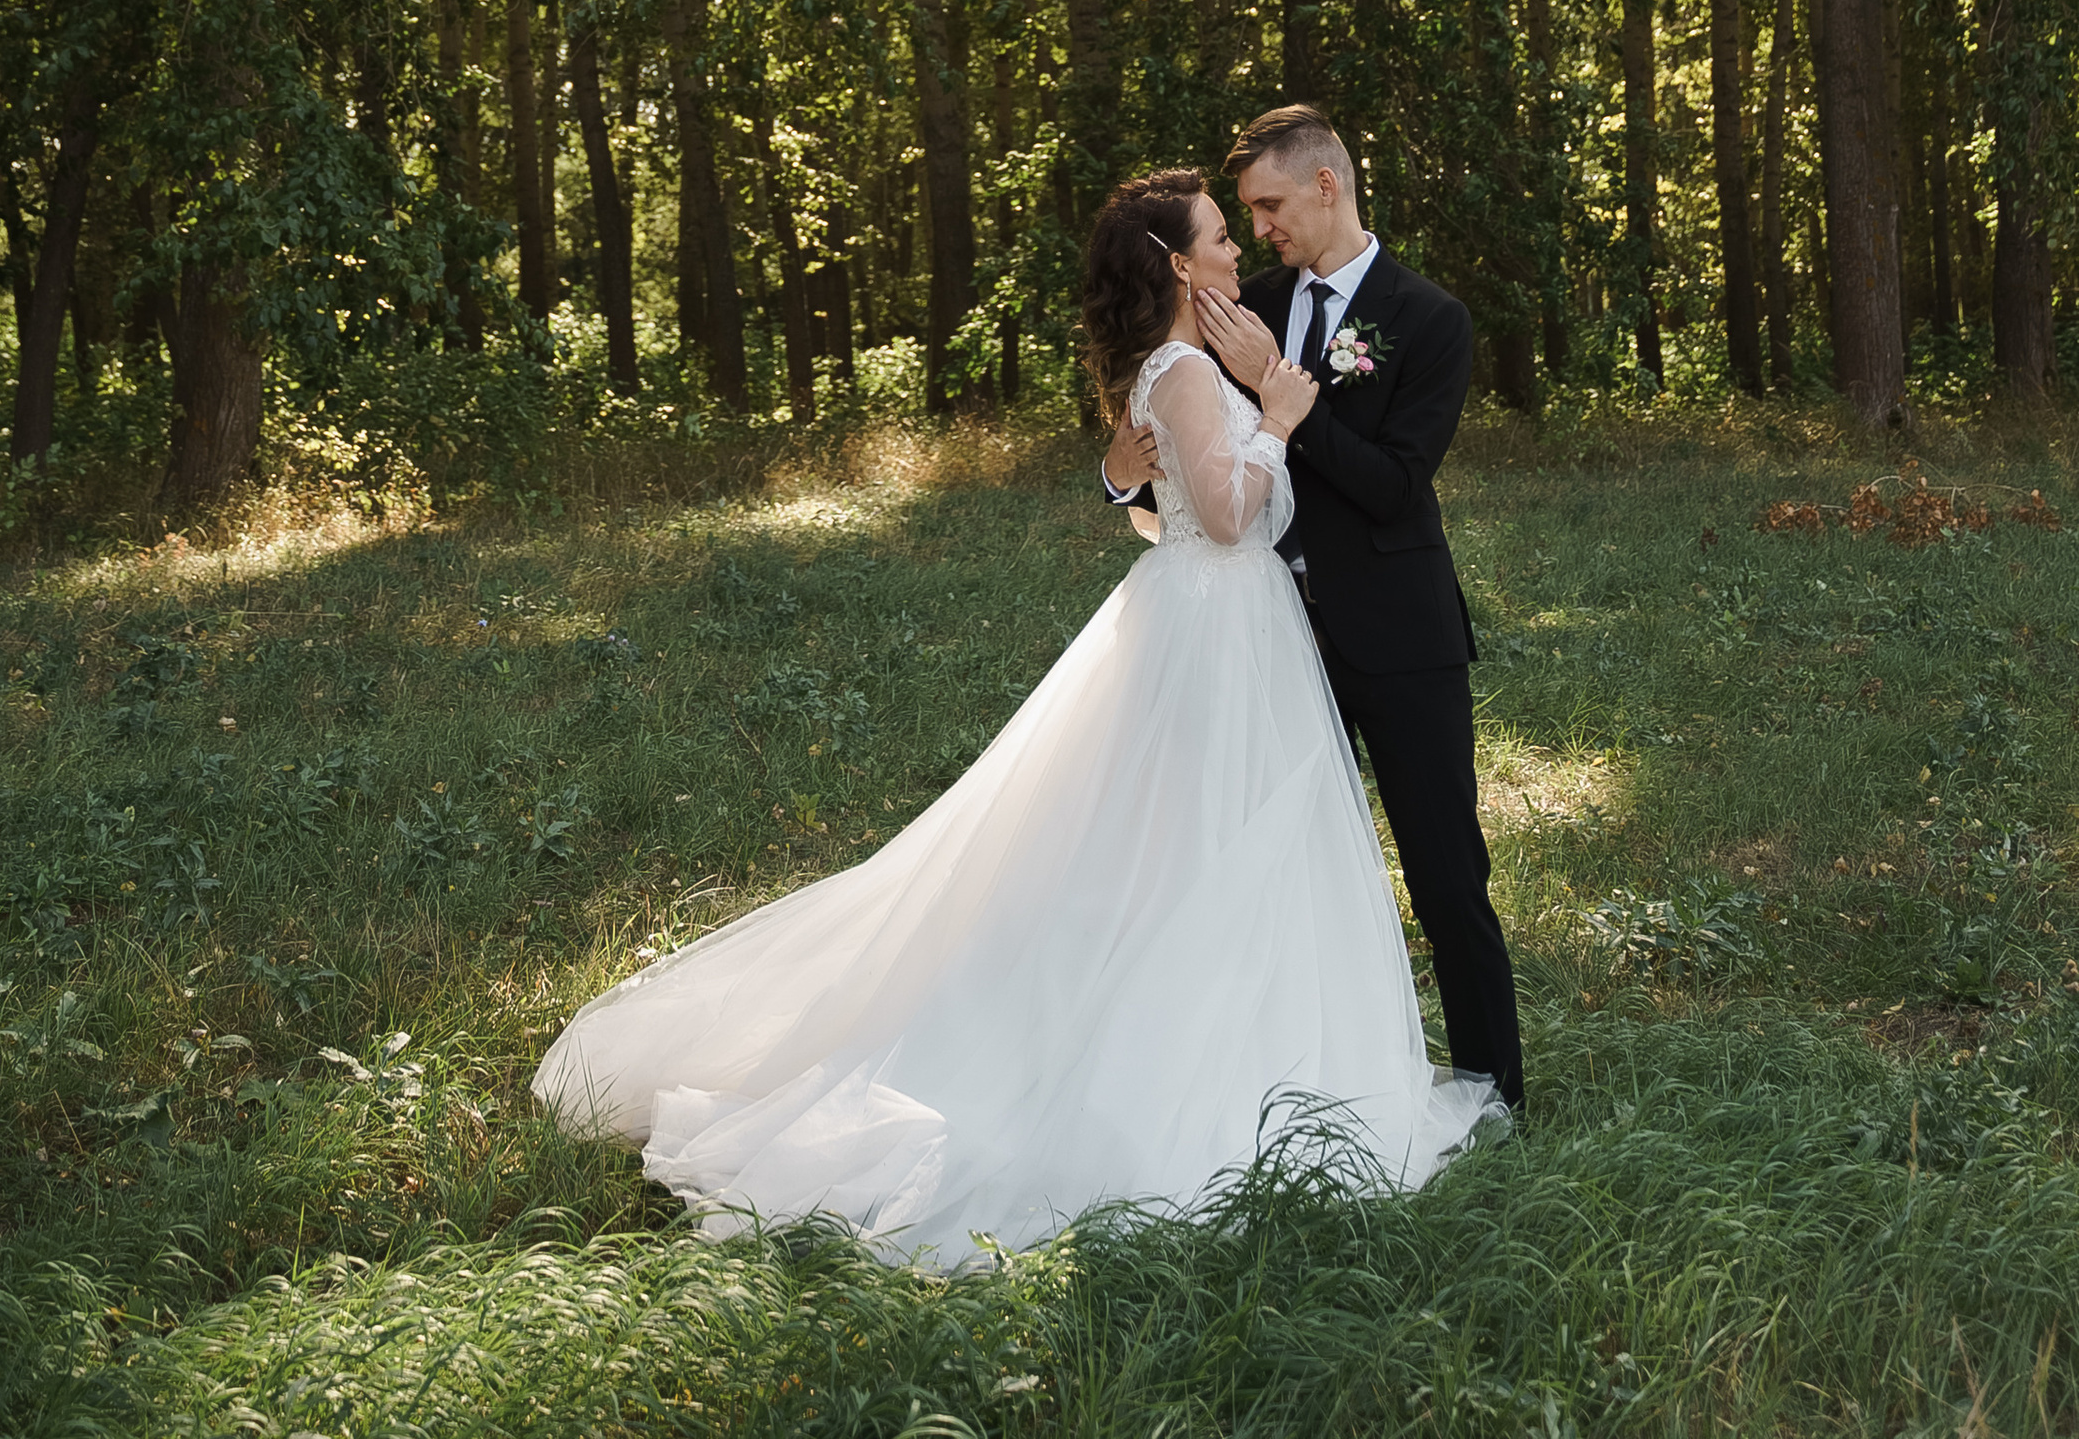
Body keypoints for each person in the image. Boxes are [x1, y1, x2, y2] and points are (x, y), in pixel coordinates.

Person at [532, 167, 1499, 1261]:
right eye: (1224, 234)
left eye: (1249, 223)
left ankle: (1246, 1042)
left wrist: (1154, 469)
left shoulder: (1227, 339)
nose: (1245, 247)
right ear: (1179, 263)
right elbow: (1225, 519)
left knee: (1209, 854)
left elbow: (1169, 510)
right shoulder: (1197, 359)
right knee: (1204, 851)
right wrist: (1275, 421)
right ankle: (1191, 1070)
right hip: (1224, 624)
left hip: (1230, 623)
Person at [1101, 103, 1523, 1112]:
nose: (1258, 231)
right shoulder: (1238, 303)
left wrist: (1279, 389)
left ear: (1326, 186)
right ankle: (1277, 1084)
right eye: (1241, 214)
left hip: (1398, 635)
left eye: (1270, 204)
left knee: (1443, 870)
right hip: (1264, 640)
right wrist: (1117, 480)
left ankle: (1494, 1090)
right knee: (1264, 862)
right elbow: (1180, 428)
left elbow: (1391, 484)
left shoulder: (1430, 319)